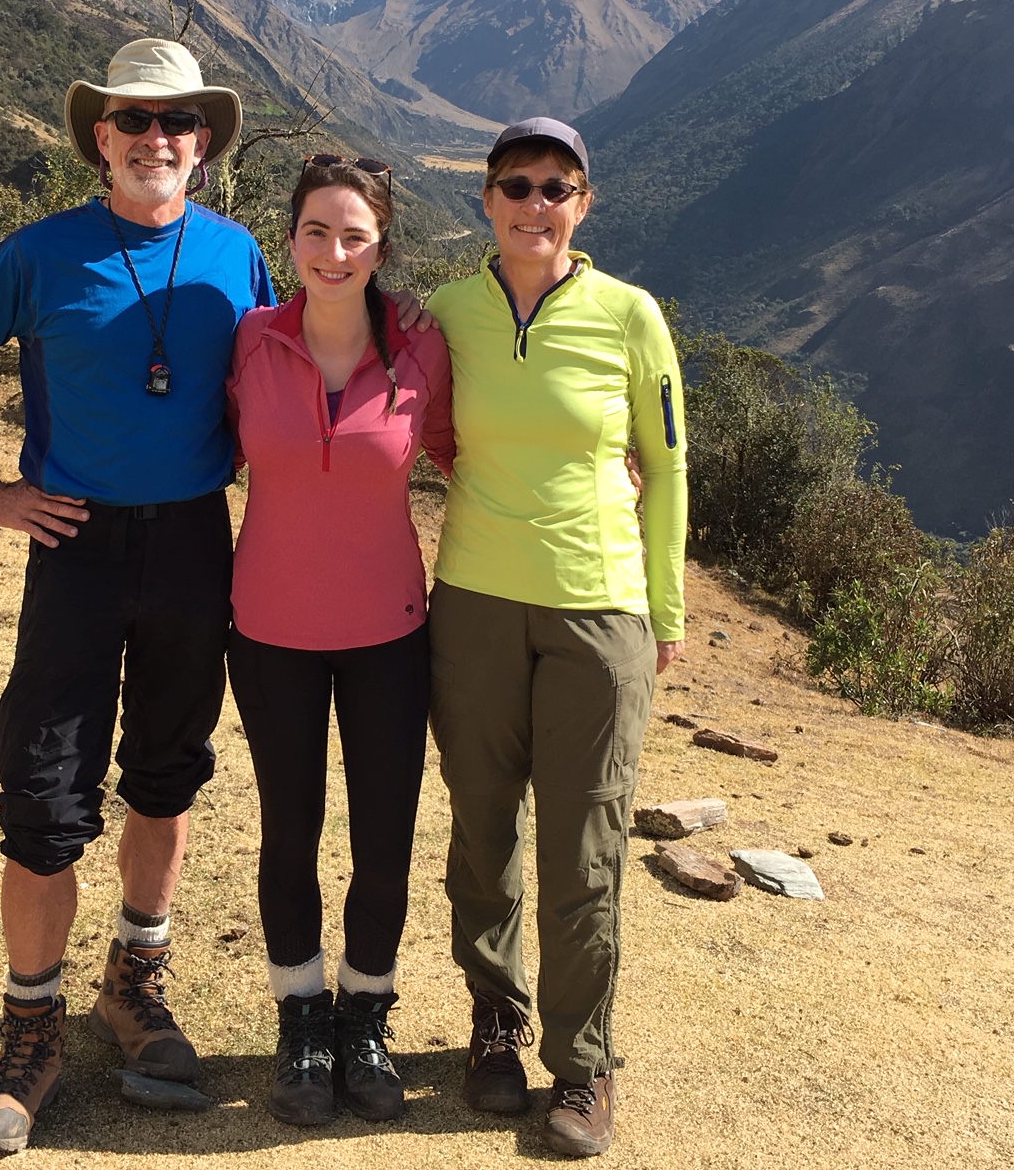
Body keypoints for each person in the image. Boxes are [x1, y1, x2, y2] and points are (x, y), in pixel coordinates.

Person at [0, 37, 270, 1156]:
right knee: (47, 793)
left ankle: (134, 986)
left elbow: (279, 387)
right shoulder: (40, 255)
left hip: (198, 544)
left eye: (179, 124)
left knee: (166, 771)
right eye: (136, 121)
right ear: (101, 137)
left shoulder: (241, 255)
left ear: (202, 146)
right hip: (76, 543)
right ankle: (31, 1026)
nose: (159, 139)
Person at [424, 117, 687, 1160]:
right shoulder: (446, 314)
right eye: (517, 186)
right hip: (475, 604)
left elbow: (665, 469)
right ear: (486, 200)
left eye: (557, 188)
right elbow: (416, 424)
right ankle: (495, 1023)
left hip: (598, 614)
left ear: (585, 205)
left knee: (586, 850)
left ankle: (584, 1067)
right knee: (482, 832)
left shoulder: (631, 316)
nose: (536, 205)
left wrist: (663, 611)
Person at [221, 157, 453, 1127]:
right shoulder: (250, 340)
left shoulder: (421, 352)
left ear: (381, 248)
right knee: (291, 831)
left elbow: (472, 451)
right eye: (317, 231)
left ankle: (366, 1013)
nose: (333, 251)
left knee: (385, 839)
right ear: (291, 240)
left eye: (354, 234)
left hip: (389, 635)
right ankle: (300, 1017)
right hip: (267, 629)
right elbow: (201, 444)